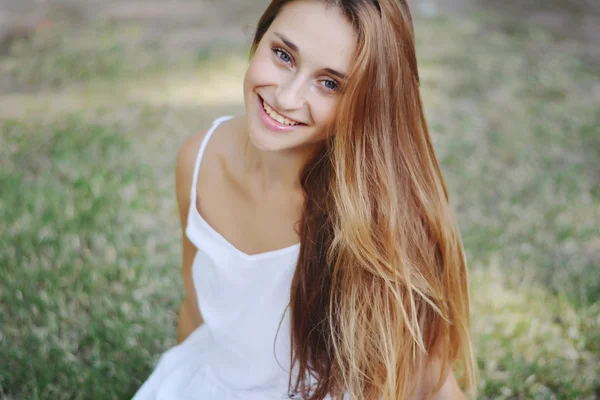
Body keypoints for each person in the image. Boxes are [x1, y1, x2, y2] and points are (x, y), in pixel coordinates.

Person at [132, 0, 477, 399]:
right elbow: (195, 311)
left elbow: (425, 377)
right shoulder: (197, 160)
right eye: (283, 55)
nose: (287, 96)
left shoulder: (377, 216)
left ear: (365, 104)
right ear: (259, 39)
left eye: (329, 83)